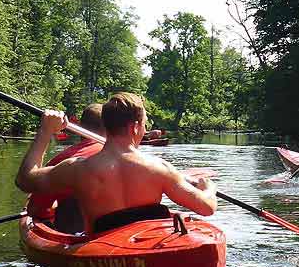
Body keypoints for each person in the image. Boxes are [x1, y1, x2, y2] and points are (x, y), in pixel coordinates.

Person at [16, 93, 217, 235]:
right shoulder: (159, 168)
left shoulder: (77, 169)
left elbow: (25, 179)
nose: (145, 129)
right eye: (145, 123)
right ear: (135, 127)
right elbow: (207, 208)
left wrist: (45, 131)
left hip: (101, 248)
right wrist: (208, 188)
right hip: (146, 244)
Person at [26, 103, 106, 233]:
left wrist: (53, 205)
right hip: (115, 233)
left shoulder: (63, 160)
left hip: (75, 237)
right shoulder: (128, 156)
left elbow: (35, 210)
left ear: (79, 126)